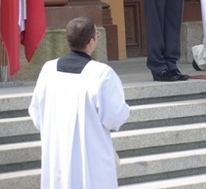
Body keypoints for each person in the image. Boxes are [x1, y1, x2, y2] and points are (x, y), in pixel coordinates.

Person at [28, 17, 130, 189]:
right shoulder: (102, 74)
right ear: (91, 42)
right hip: (91, 158)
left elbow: (37, 114)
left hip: (57, 153)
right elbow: (114, 117)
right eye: (97, 34)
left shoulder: (48, 70)